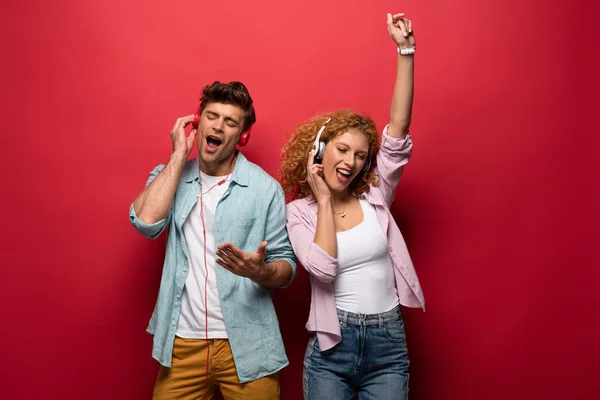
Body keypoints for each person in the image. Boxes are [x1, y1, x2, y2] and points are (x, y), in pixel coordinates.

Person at [281, 13, 425, 400]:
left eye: (360, 155)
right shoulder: (299, 213)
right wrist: (325, 201)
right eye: (342, 149)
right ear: (319, 151)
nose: (350, 161)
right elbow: (323, 269)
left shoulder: (375, 194)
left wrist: (405, 50)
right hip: (333, 348)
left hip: (388, 342)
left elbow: (398, 130)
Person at [129, 81, 296, 399]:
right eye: (211, 115)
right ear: (197, 121)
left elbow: (286, 267)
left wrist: (260, 272)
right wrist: (179, 156)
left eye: (230, 122)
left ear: (242, 135)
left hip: (249, 345)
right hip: (182, 344)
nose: (218, 125)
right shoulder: (169, 176)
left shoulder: (265, 189)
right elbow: (146, 222)